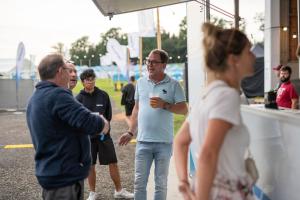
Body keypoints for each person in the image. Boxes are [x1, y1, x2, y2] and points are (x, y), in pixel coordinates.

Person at [173, 23, 256, 200]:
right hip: (225, 193)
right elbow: (208, 154)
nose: (254, 56)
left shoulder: (205, 95)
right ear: (233, 59)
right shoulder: (227, 96)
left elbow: (180, 141)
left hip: (207, 189)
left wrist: (183, 182)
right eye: (249, 51)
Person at [26, 54, 109, 200]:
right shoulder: (58, 95)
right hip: (63, 178)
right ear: (59, 71)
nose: (71, 74)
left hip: (53, 173)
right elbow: (89, 122)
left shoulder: (36, 97)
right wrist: (103, 122)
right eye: (67, 69)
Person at [119, 49, 188, 200]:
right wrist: (131, 132)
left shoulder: (173, 85)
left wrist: (165, 105)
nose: (150, 64)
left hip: (164, 142)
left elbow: (184, 109)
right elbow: (137, 109)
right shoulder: (141, 82)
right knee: (139, 183)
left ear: (163, 65)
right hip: (143, 141)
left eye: (154, 62)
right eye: (148, 61)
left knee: (161, 183)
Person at [76, 69, 134, 200]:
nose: (90, 81)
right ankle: (92, 192)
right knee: (90, 165)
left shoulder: (103, 95)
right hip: (88, 139)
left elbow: (108, 116)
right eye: (87, 79)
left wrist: (103, 129)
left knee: (113, 162)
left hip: (104, 136)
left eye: (92, 78)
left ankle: (119, 190)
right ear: (83, 82)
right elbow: (78, 120)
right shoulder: (78, 99)